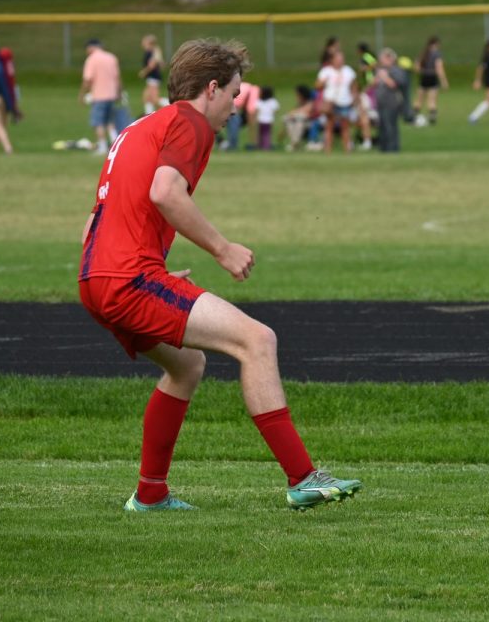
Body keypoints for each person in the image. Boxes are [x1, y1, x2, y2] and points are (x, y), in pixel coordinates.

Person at [78, 38, 362, 512]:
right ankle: (303, 477)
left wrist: (147, 265)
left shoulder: (139, 126)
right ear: (210, 89)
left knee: (187, 366)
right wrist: (222, 248)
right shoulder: (190, 123)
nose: (236, 106)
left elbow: (98, 219)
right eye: (233, 93)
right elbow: (166, 192)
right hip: (126, 279)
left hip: (96, 278)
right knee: (257, 340)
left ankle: (150, 495)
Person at [80, 38, 122, 155]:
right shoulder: (111, 57)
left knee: (98, 122)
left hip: (99, 95)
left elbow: (87, 79)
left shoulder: (91, 59)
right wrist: (119, 92)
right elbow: (117, 77)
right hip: (111, 94)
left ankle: (102, 146)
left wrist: (82, 94)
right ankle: (115, 145)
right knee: (110, 121)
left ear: (91, 47)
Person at [315, 49, 358, 154]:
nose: (340, 61)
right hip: (331, 102)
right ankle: (328, 150)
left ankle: (347, 150)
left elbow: (354, 85)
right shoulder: (326, 71)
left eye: (342, 58)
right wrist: (323, 82)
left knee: (345, 126)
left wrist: (354, 97)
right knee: (329, 126)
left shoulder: (348, 71)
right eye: (338, 58)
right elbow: (317, 86)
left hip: (345, 102)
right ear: (332, 60)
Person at [373, 47, 407, 152]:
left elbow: (396, 84)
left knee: (390, 127)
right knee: (382, 127)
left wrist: (384, 77)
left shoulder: (396, 70)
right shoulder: (381, 70)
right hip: (381, 103)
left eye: (382, 58)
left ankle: (392, 148)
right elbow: (374, 85)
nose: (381, 61)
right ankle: (383, 148)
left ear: (390, 58)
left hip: (392, 103)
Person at [413, 35, 449, 126]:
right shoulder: (437, 54)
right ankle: (432, 119)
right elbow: (439, 68)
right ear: (436, 44)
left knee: (419, 99)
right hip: (432, 77)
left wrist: (422, 71)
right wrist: (444, 81)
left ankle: (413, 116)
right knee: (432, 100)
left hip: (424, 77)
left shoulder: (423, 53)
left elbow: (416, 67)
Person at [283, 85, 319, 151]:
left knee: (299, 122)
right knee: (288, 119)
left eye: (298, 94)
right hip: (299, 122)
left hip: (310, 123)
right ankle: (295, 142)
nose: (296, 96)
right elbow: (293, 112)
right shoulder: (300, 103)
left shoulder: (310, 102)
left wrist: (294, 113)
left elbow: (306, 111)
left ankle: (294, 143)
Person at [139, 34, 167, 115]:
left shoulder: (151, 52)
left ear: (149, 43)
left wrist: (144, 72)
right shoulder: (154, 51)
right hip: (152, 77)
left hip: (153, 77)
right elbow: (161, 64)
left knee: (155, 99)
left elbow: (152, 64)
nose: (142, 43)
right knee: (146, 97)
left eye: (144, 41)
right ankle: (149, 115)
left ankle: (171, 104)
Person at [255, 86, 279, 151]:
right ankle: (266, 146)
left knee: (260, 133)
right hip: (269, 120)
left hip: (260, 119)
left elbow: (256, 110)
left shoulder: (259, 101)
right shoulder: (273, 101)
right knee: (267, 133)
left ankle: (260, 145)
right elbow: (275, 110)